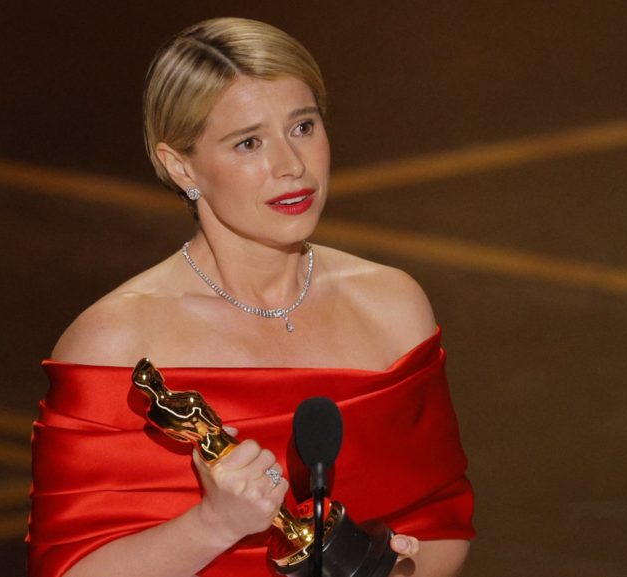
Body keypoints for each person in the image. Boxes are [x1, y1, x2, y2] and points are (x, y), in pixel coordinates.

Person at [28, 17, 474, 577]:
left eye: (304, 127)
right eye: (248, 143)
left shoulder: (393, 306)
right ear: (179, 164)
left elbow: (443, 524)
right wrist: (213, 525)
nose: (291, 166)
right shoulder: (114, 342)